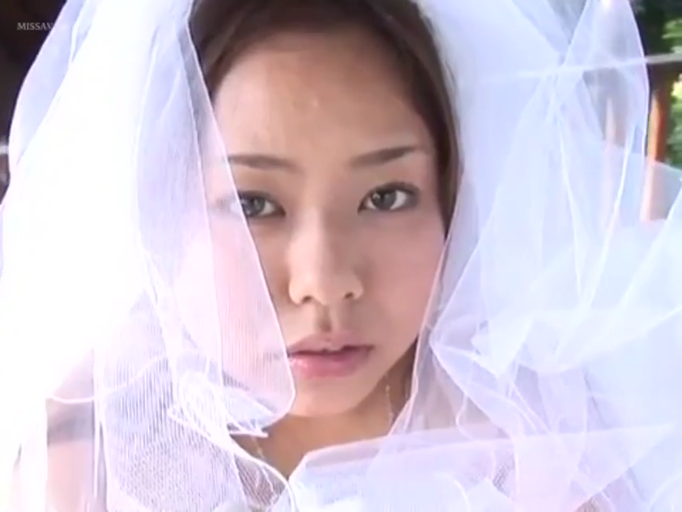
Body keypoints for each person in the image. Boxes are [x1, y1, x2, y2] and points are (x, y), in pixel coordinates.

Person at [2, 0, 682, 510]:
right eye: (253, 204)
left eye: (386, 196)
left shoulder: (536, 440)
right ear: (158, 209)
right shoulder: (85, 459)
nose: (324, 282)